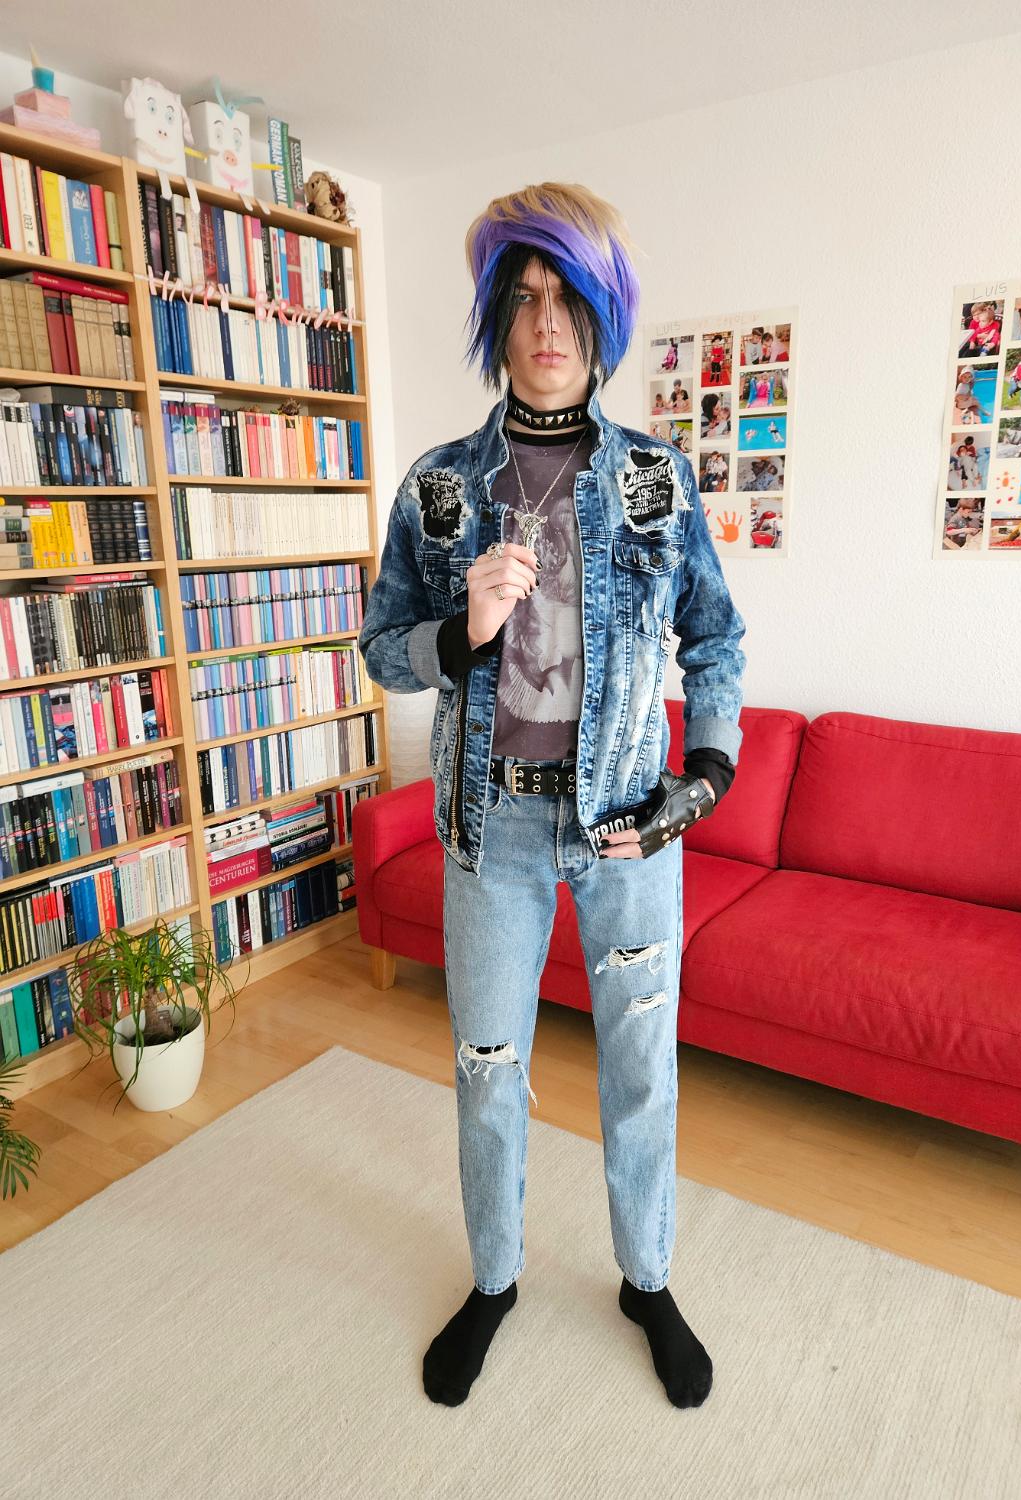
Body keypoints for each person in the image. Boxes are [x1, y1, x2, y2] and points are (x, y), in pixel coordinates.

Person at [359, 181, 746, 1411]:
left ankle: (647, 1280)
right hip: (493, 836)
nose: (545, 322)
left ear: (600, 316)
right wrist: (457, 634)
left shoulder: (656, 479)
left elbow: (717, 639)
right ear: (496, 317)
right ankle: (495, 1281)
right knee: (487, 1070)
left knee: (642, 1071)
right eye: (523, 297)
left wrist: (705, 775)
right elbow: (380, 650)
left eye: (568, 297)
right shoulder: (438, 487)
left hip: (629, 832)